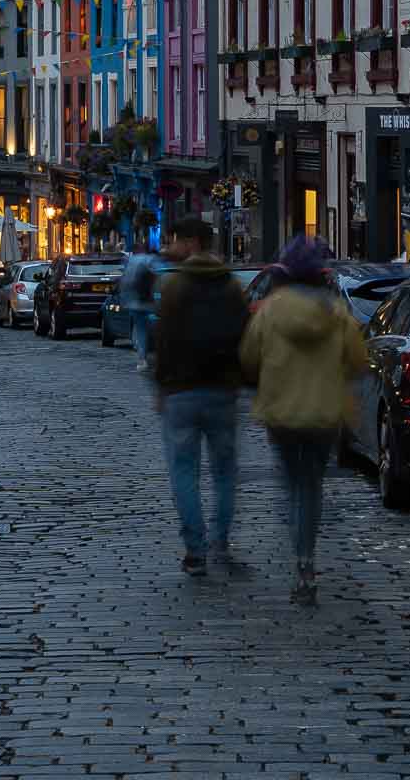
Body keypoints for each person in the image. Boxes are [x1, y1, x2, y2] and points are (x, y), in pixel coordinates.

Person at [238, 235, 368, 606]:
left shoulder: (271, 310)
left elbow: (248, 358)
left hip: (282, 412)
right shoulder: (337, 313)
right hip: (324, 413)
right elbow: (358, 361)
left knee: (292, 483)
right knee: (311, 487)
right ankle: (306, 561)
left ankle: (298, 551)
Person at [153, 217, 251, 578]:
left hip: (180, 391)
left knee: (184, 471)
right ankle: (220, 543)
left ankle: (195, 550)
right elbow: (246, 337)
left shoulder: (174, 286)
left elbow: (161, 340)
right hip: (223, 390)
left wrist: (161, 386)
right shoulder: (231, 285)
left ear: (192, 245)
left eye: (177, 239)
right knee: (224, 473)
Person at [119, 245, 163, 373]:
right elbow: (162, 275)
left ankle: (142, 359)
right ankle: (158, 356)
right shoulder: (151, 259)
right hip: (150, 301)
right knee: (156, 328)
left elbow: (125, 282)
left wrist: (124, 300)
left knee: (141, 330)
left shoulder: (130, 261)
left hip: (134, 302)